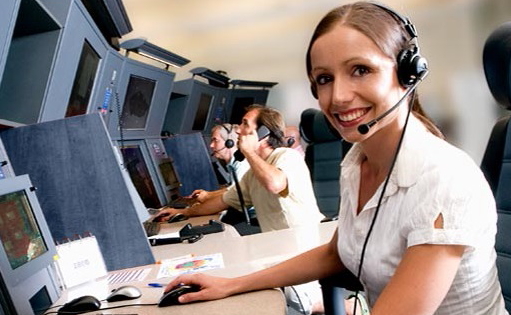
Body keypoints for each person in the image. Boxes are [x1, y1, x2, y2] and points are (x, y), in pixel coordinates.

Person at [161, 2, 508, 315]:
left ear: (407, 74)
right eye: (324, 79)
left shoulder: (444, 178)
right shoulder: (357, 162)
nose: (338, 97)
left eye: (360, 69)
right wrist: (233, 283)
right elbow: (335, 254)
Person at [190, 123, 250, 204]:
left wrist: (208, 196)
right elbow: (231, 189)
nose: (211, 145)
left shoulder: (241, 164)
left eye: (215, 140)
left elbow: (235, 192)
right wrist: (208, 194)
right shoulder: (232, 165)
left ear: (229, 143)